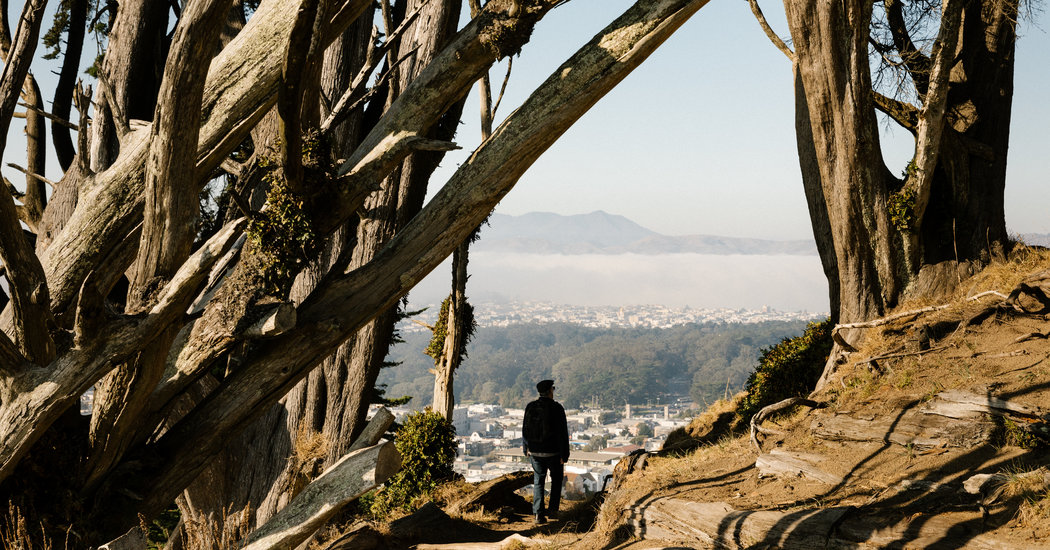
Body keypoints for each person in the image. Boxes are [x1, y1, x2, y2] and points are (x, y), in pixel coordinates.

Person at [522, 379, 570, 524]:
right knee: (556, 481)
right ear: (550, 391)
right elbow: (563, 433)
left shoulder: (530, 406)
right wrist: (564, 454)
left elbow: (525, 429)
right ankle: (553, 511)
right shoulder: (557, 408)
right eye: (553, 389)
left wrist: (526, 448)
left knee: (538, 482)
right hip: (554, 452)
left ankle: (538, 514)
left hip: (535, 452)